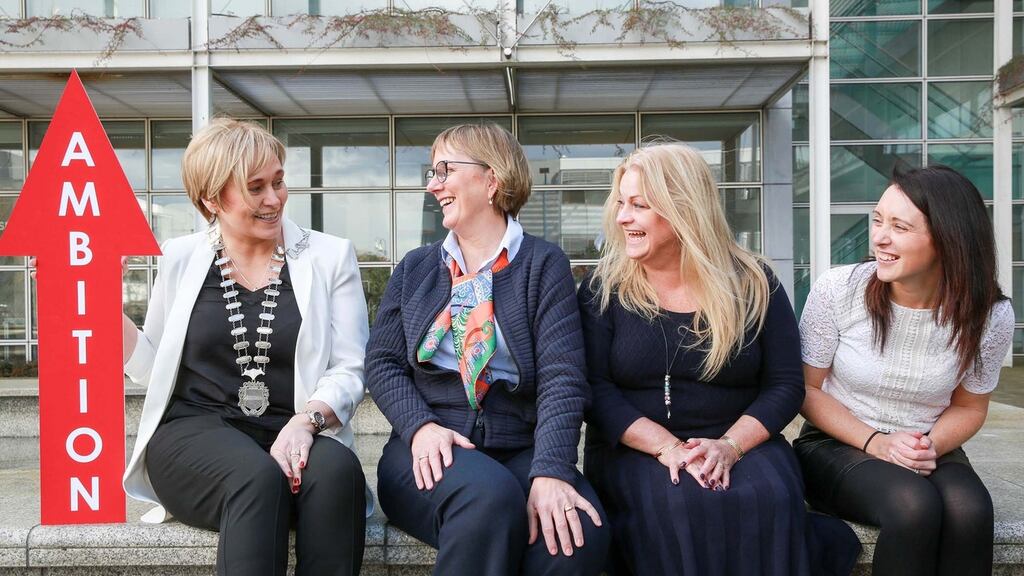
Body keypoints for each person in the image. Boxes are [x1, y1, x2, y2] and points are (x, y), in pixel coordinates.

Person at [578, 142, 860, 576]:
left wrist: (729, 446)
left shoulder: (753, 282)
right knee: (677, 504)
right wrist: (667, 447)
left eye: (639, 205)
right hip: (637, 446)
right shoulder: (604, 289)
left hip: (741, 439)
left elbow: (785, 385)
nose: (622, 218)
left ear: (683, 209)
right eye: (621, 203)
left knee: (764, 499)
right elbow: (594, 390)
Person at [121, 118, 370, 576]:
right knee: (256, 479)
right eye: (255, 188)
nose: (274, 199)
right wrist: (96, 305)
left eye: (278, 182)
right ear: (211, 199)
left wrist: (307, 421)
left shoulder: (330, 256)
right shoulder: (180, 256)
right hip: (193, 430)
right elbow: (153, 365)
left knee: (338, 475)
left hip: (296, 426)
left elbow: (351, 366)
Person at [365, 122, 610, 576]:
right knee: (487, 498)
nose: (432, 183)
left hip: (519, 449)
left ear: (491, 179)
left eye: (444, 169)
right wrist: (420, 428)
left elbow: (563, 378)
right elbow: (381, 364)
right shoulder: (417, 267)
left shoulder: (543, 264)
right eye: (432, 172)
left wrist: (551, 471)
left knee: (578, 535)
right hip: (425, 451)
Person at [795, 165, 1013, 576]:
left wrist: (925, 445)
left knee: (971, 512)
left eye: (899, 226)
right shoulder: (839, 290)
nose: (879, 237)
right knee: (914, 507)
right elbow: (806, 389)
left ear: (949, 238)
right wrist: (877, 442)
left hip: (928, 444)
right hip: (835, 443)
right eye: (877, 220)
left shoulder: (989, 314)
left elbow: (970, 406)